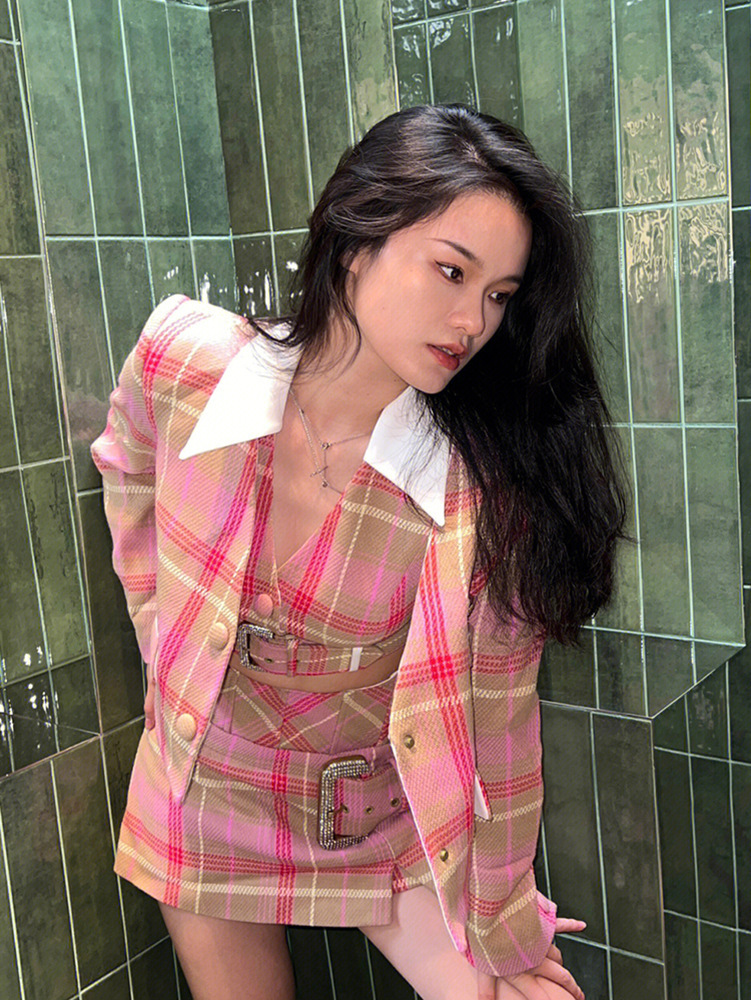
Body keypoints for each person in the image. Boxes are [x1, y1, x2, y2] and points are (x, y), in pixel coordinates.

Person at [91, 103, 627, 1000]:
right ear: (354, 241)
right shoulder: (184, 359)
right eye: (450, 271)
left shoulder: (480, 493)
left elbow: (501, 728)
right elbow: (126, 458)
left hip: (377, 819)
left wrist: (502, 923)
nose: (472, 320)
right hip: (205, 794)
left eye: (499, 295)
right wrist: (164, 631)